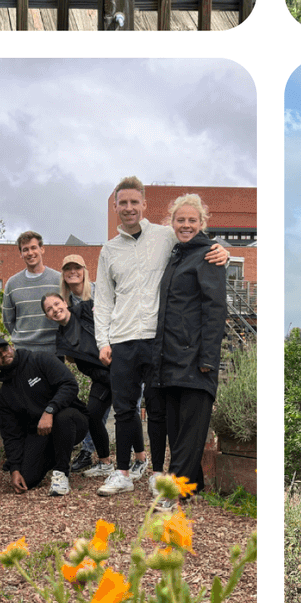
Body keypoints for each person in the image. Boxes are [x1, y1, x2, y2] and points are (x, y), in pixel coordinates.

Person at [93, 180, 229, 496]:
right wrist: (103, 340)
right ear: (115, 207)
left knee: (157, 410)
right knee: (124, 408)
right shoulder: (109, 250)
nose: (128, 208)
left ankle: (157, 473)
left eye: (134, 202)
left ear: (144, 205)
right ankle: (123, 471)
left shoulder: (164, 235)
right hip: (123, 336)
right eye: (122, 203)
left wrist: (223, 249)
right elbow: (103, 300)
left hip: (157, 339)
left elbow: (196, 239)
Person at [150, 193, 227, 507]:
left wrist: (208, 357)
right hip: (169, 358)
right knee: (178, 427)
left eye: (191, 220)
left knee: (191, 428)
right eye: (180, 220)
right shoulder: (175, 255)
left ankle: (173, 492)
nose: (185, 225)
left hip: (196, 358)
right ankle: (192, 486)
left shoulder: (209, 254)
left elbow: (215, 308)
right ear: (172, 223)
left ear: (202, 223)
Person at [0, 337, 86, 497]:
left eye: (4, 349)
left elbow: (69, 384)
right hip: (41, 432)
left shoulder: (40, 359)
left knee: (63, 417)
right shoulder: (5, 394)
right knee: (27, 478)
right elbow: (11, 434)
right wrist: (14, 469)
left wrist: (50, 410)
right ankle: (55, 455)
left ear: (11, 347)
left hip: (73, 421)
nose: (4, 355)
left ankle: (61, 472)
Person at [44, 256, 113, 478]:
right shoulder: (61, 340)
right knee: (93, 415)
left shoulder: (87, 307)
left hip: (118, 368)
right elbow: (60, 370)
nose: (55, 309)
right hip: (101, 378)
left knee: (127, 412)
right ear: (47, 316)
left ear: (65, 303)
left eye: (57, 304)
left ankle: (139, 460)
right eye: (50, 309)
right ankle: (105, 462)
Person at [2, 232, 61, 350]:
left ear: (42, 249)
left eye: (34, 248)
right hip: (23, 351)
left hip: (53, 350)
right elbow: (8, 320)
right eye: (25, 250)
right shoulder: (12, 284)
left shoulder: (58, 280)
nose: (30, 253)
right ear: (21, 254)